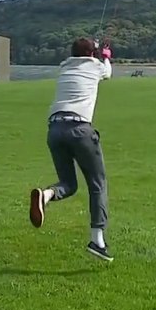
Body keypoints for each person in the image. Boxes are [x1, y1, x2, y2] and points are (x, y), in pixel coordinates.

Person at [28, 37, 114, 261]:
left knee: (68, 184)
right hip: (79, 129)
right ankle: (97, 241)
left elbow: (85, 61)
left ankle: (46, 195)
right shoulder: (96, 66)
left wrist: (96, 53)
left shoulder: (65, 67)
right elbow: (108, 73)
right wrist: (106, 56)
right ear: (92, 54)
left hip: (54, 129)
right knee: (97, 184)